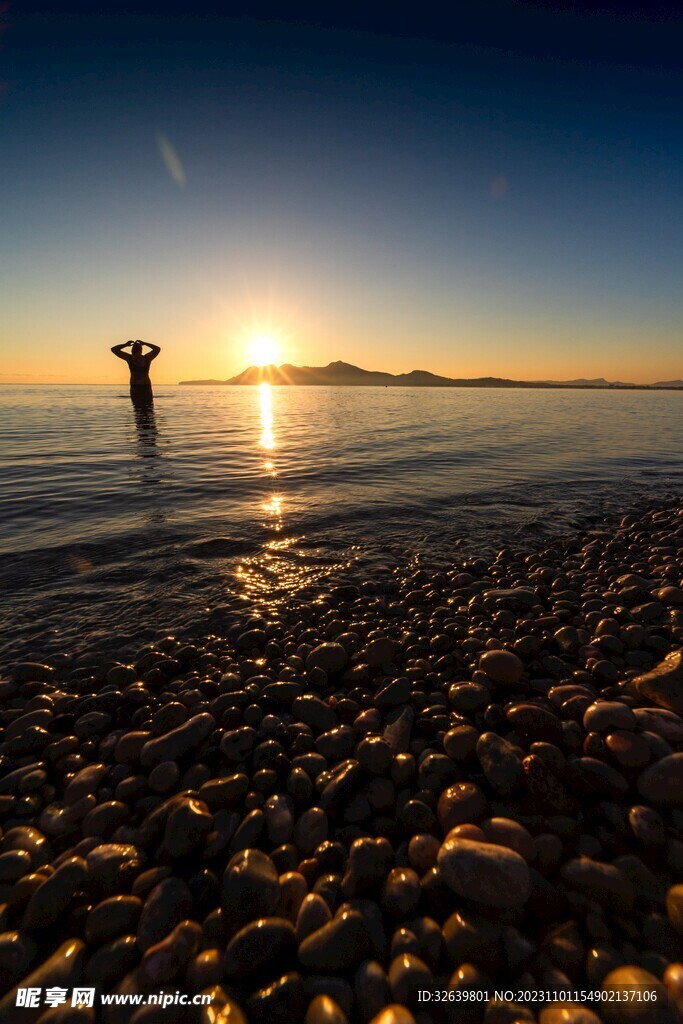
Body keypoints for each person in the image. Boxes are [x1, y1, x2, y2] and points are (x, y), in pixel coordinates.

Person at [111, 339, 161, 403]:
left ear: (132, 350)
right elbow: (157, 349)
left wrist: (126, 345)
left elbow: (114, 349)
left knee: (137, 409)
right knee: (148, 409)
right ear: (141, 350)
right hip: (144, 386)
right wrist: (145, 343)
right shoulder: (146, 358)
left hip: (137, 387)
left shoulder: (130, 358)